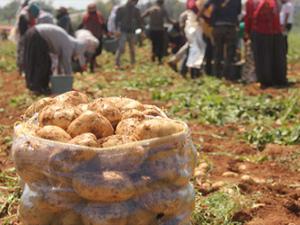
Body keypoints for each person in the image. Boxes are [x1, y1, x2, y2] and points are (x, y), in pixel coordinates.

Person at [23, 24, 98, 95]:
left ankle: (38, 86)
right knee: (42, 64)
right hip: (37, 35)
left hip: (34, 33)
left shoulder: (71, 42)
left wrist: (60, 75)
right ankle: (37, 88)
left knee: (43, 62)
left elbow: (60, 62)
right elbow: (66, 63)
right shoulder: (69, 45)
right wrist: (69, 81)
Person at [245, 0, 287, 88]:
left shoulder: (251, 2)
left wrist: (247, 32)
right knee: (275, 56)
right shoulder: (273, 1)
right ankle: (278, 78)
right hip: (275, 32)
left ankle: (265, 80)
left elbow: (249, 17)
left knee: (262, 58)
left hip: (260, 31)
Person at [203, 0, 241, 79]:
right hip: (231, 27)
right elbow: (238, 11)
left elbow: (205, 6)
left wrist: (202, 18)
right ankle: (227, 74)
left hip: (218, 27)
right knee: (230, 52)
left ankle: (217, 74)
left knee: (217, 51)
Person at [142, 0, 174, 64]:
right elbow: (168, 20)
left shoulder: (151, 9)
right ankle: (159, 59)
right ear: (162, 2)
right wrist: (175, 23)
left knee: (154, 44)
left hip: (152, 29)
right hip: (160, 30)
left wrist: (144, 24)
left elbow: (142, 16)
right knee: (160, 45)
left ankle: (153, 57)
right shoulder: (163, 10)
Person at [115, 0, 143, 69]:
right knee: (121, 48)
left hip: (132, 31)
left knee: (132, 48)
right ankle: (117, 63)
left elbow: (139, 21)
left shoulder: (136, 10)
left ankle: (133, 63)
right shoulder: (121, 9)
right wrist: (117, 30)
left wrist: (141, 30)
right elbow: (116, 20)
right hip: (123, 31)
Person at [80, 3, 106, 72]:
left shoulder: (98, 15)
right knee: (91, 52)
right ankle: (91, 66)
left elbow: (103, 24)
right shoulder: (86, 16)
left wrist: (107, 32)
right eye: (90, 9)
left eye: (93, 9)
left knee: (98, 51)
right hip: (90, 36)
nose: (92, 10)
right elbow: (82, 24)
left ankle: (92, 62)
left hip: (98, 35)